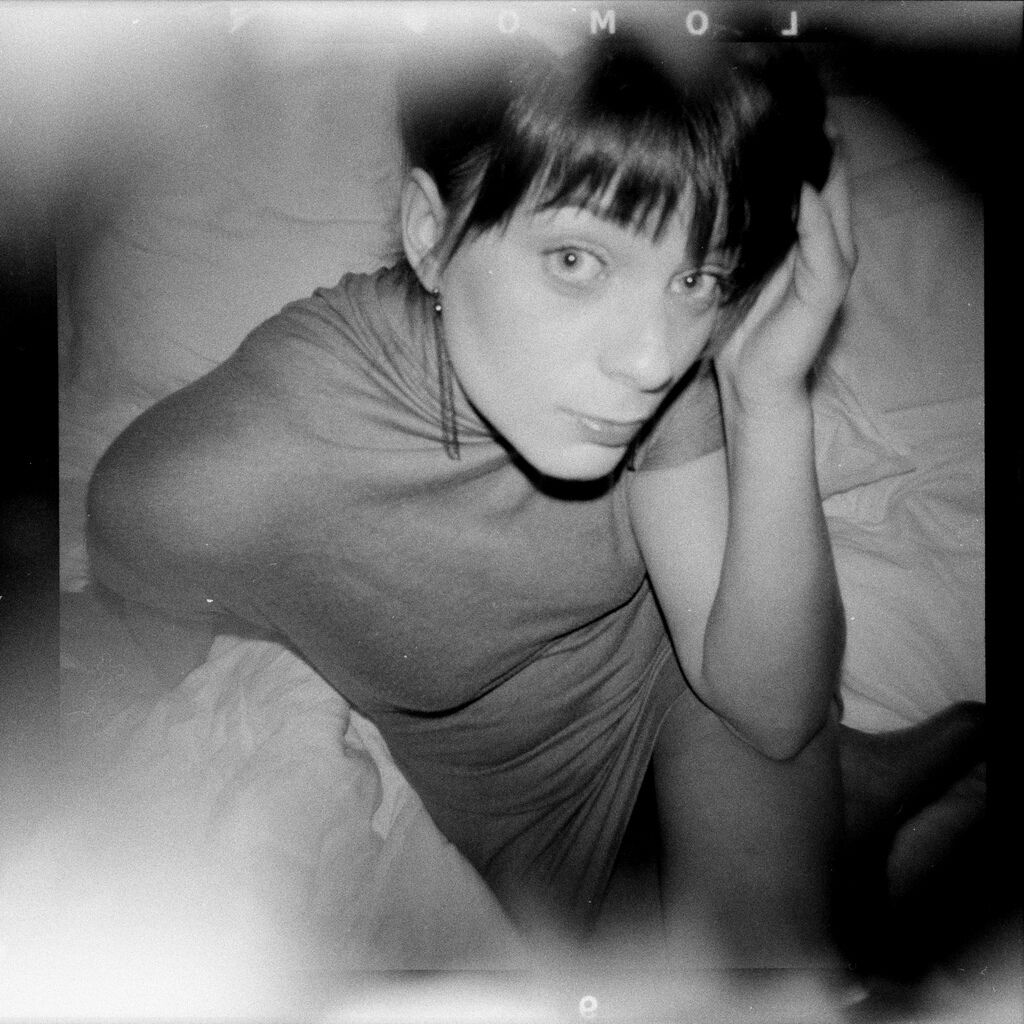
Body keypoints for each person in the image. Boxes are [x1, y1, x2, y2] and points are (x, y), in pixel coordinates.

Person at [85, 30, 981, 973]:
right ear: (430, 235)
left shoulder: (659, 370)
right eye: (576, 261)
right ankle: (853, 798)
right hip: (532, 833)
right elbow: (136, 609)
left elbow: (770, 711)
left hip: (688, 695)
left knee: (763, 964)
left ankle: (837, 804)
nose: (651, 358)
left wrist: (769, 393)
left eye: (697, 276)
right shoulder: (225, 472)